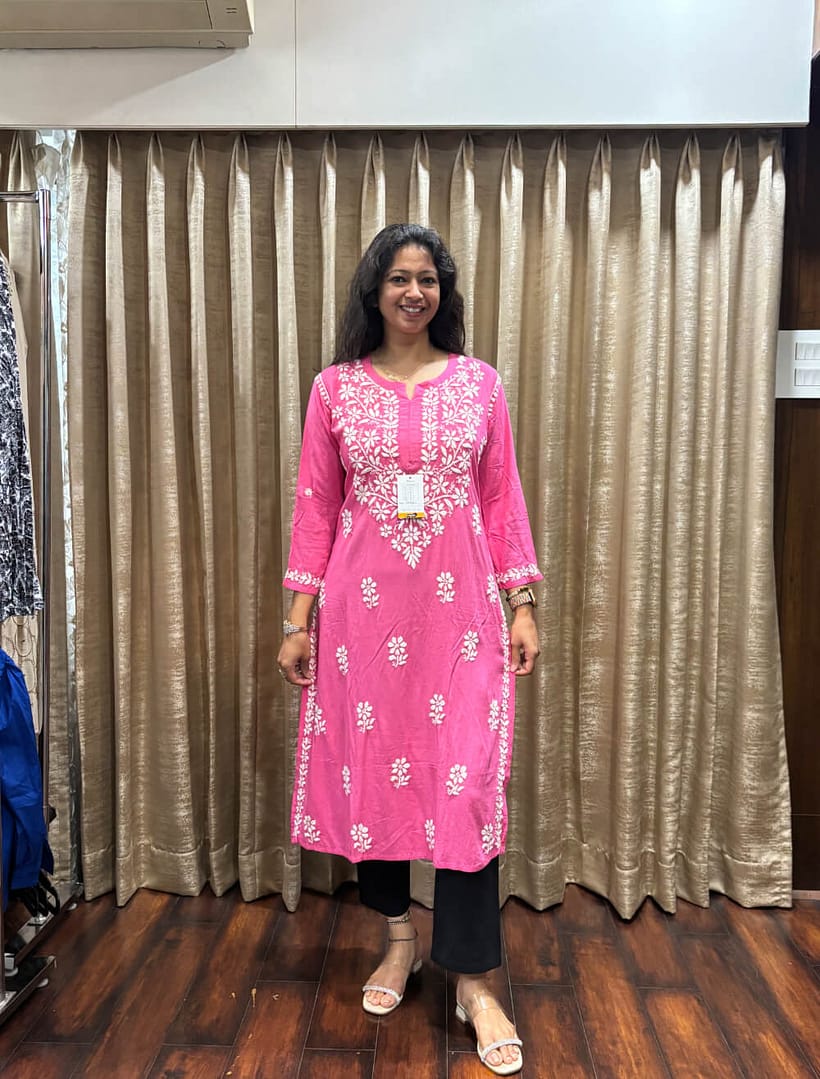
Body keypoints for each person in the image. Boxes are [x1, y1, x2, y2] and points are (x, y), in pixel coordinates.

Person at [278, 223, 541, 1076]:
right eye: (399, 278)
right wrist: (296, 620)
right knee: (378, 779)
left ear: (443, 292)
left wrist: (522, 604)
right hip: (362, 625)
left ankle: (474, 980)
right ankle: (399, 939)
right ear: (375, 291)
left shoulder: (479, 385)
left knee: (465, 789)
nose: (414, 292)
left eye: (428, 278)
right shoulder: (334, 390)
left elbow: (501, 499)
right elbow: (316, 506)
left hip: (461, 622)